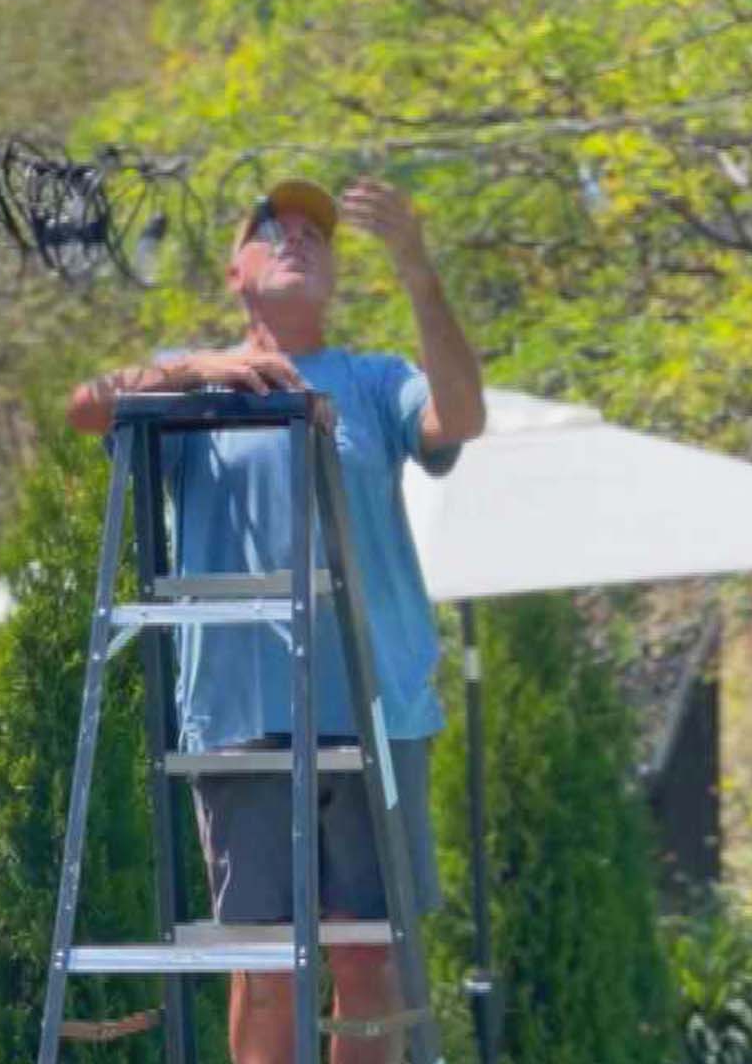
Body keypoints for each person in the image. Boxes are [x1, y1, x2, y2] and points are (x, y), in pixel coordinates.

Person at [67, 178, 486, 1064]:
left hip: (377, 714)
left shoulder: (377, 382)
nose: (298, 241)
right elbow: (83, 405)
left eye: (316, 235)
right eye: (274, 231)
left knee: (369, 961)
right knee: (264, 970)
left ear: (335, 273)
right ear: (236, 271)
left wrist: (418, 272)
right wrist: (192, 371)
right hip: (237, 716)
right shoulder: (186, 382)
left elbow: (464, 416)